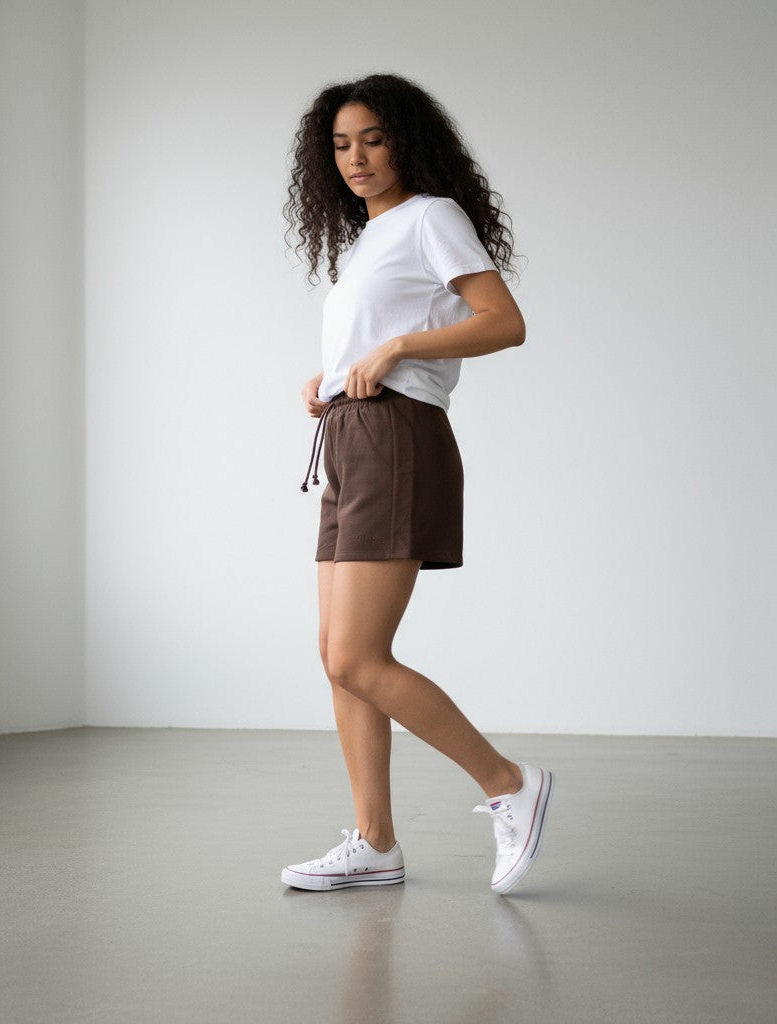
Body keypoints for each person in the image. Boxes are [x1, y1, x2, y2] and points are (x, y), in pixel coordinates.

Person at [282, 73, 552, 895]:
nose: (356, 158)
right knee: (337, 659)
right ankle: (375, 843)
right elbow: (376, 337)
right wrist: (327, 378)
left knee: (360, 656)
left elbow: (503, 323)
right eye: (339, 144)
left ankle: (511, 783)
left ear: (405, 139)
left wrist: (396, 350)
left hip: (397, 442)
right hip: (351, 437)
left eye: (372, 138)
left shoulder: (432, 216)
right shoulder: (367, 240)